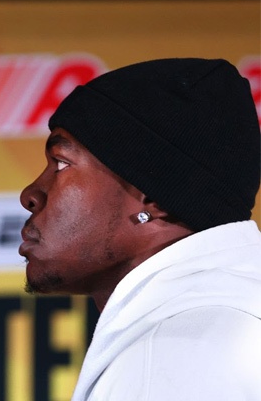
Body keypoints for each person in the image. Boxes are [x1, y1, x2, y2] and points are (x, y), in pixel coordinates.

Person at [18, 58, 261, 400]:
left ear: (154, 198)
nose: (29, 195)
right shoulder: (227, 322)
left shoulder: (174, 355)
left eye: (61, 163)